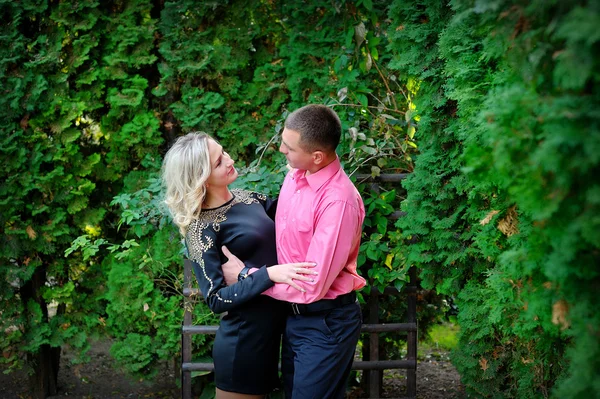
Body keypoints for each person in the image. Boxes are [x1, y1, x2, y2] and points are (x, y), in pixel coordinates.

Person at [222, 104, 366, 399]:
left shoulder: (338, 203)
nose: (281, 151)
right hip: (294, 318)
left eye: (288, 147)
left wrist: (249, 277)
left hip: (325, 323)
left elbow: (311, 284)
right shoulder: (295, 178)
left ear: (317, 156)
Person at [161, 132, 317, 399]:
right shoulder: (201, 228)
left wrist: (301, 174)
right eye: (219, 161)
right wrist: (268, 275)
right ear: (201, 177)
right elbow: (216, 299)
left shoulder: (250, 198)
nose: (229, 160)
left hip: (279, 334)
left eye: (224, 152)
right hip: (244, 345)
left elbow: (294, 221)